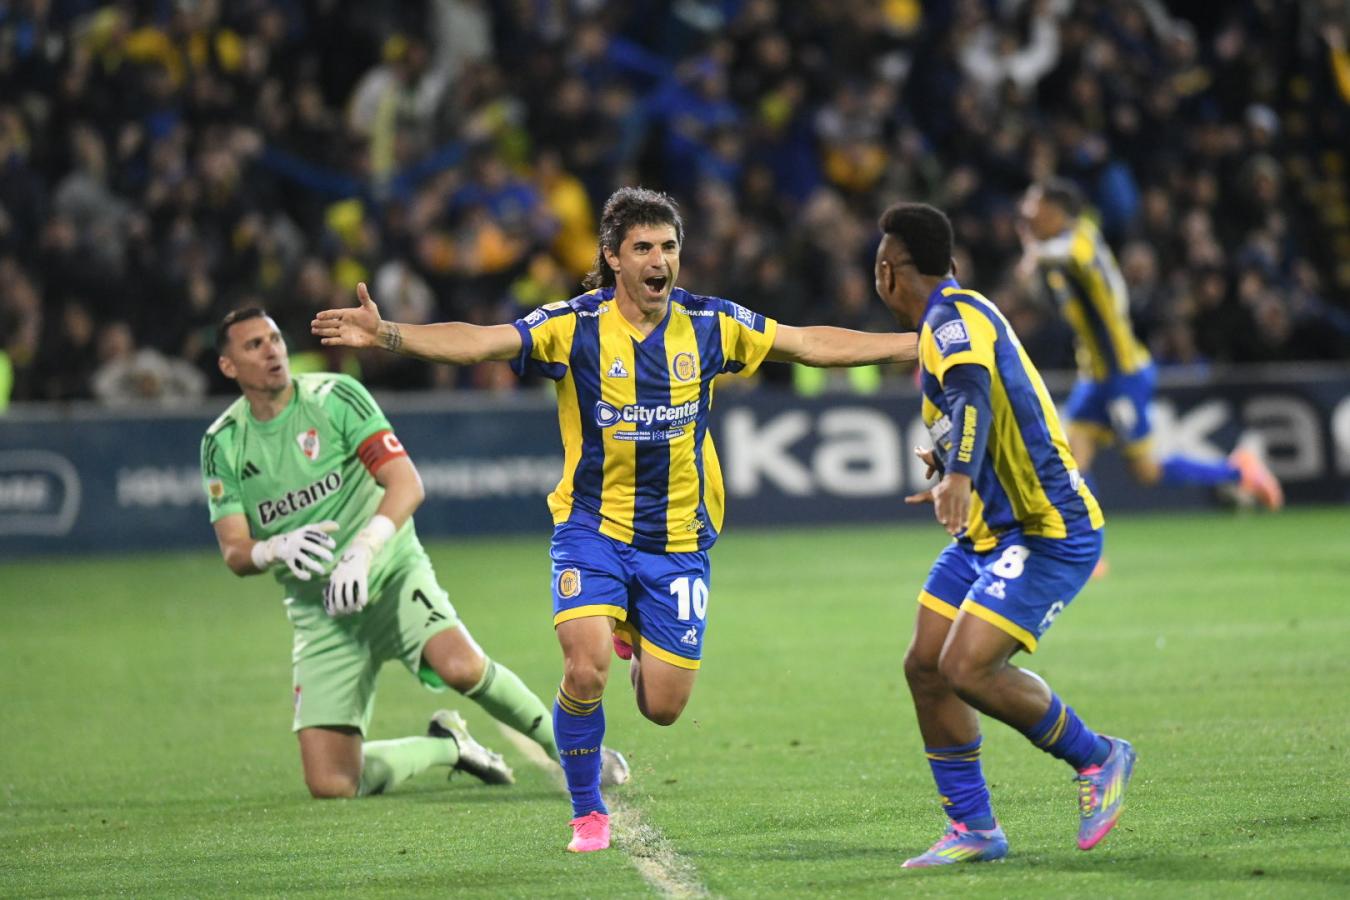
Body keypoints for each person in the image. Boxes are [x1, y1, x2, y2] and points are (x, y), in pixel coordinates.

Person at [313, 186, 919, 852]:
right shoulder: (572, 327)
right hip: (591, 530)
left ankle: (631, 626)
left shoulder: (711, 324)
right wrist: (388, 333)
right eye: (644, 248)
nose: (660, 260)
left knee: (662, 707)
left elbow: (807, 343)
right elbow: (482, 344)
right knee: (585, 668)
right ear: (613, 258)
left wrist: (915, 344)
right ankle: (586, 810)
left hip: (679, 540)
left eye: (669, 247)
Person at [201, 307, 627, 800]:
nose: (271, 350)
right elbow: (234, 551)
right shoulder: (223, 443)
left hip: (389, 572)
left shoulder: (335, 397)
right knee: (332, 784)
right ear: (228, 366)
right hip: (321, 612)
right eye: (253, 345)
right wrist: (274, 547)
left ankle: (572, 752)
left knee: (462, 667)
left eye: (274, 338)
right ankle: (448, 747)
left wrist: (363, 549)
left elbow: (406, 483)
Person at [872, 202, 1134, 867]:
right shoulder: (955, 317)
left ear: (889, 270)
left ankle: (1098, 757)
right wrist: (952, 470)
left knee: (966, 666)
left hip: (1048, 531)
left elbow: (972, 395)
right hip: (989, 535)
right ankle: (974, 828)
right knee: (925, 667)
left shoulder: (952, 320)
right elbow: (984, 407)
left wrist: (957, 473)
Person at [1018, 178, 1283, 526]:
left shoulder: (1081, 239)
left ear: (1056, 212)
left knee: (1146, 471)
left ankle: (1237, 471)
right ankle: (1081, 548)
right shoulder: (1056, 256)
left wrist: (1034, 254)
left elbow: (1070, 255)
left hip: (1122, 374)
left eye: (1034, 207)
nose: (1026, 215)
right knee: (1071, 463)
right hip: (1094, 376)